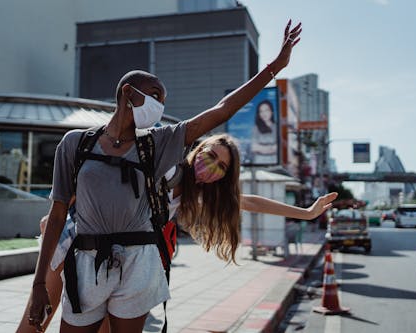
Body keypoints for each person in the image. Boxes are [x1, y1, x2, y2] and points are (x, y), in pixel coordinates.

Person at [27, 19, 302, 333]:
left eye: (164, 101)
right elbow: (60, 209)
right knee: (34, 326)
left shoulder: (156, 145)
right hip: (82, 257)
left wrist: (274, 68)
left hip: (136, 264)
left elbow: (223, 109)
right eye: (156, 95)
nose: (160, 105)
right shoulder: (77, 143)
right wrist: (38, 281)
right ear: (127, 93)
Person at [18, 134, 337, 333]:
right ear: (199, 147)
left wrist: (307, 212)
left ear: (223, 177)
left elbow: (248, 201)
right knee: (36, 321)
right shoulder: (166, 166)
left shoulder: (194, 196)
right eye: (209, 153)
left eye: (221, 166)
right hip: (74, 243)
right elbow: (103, 174)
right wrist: (58, 214)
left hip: (110, 265)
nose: (210, 164)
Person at [250, 100, 278, 164]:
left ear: (272, 112)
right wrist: (271, 148)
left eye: (266, 110)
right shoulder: (256, 128)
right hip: (259, 162)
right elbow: (254, 148)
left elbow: (278, 148)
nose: (264, 113)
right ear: (259, 114)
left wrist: (261, 148)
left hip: (274, 162)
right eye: (261, 111)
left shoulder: (277, 127)